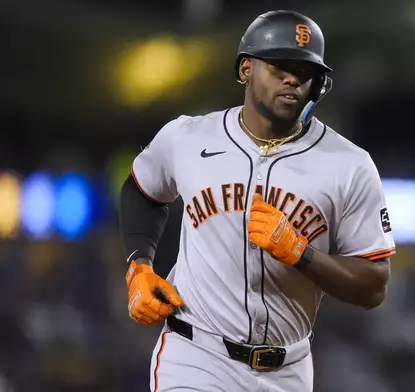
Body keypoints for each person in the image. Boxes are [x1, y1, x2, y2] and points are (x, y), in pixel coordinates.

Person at [119, 9, 396, 392]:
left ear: (318, 85)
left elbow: (374, 286)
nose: (293, 79)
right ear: (245, 69)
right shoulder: (187, 137)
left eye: (305, 71)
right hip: (196, 355)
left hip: (287, 369)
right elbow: (140, 189)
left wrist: (302, 252)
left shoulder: (349, 165)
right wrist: (140, 266)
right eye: (280, 65)